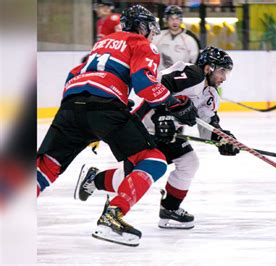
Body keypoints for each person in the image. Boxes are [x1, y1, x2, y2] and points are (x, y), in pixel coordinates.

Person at [36, 5, 198, 247]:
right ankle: (113, 216)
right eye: (151, 30)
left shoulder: (103, 43)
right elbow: (144, 84)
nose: (153, 35)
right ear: (143, 27)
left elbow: (74, 74)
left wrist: (86, 123)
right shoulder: (142, 44)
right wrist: (173, 102)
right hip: (105, 108)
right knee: (153, 159)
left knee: (47, 166)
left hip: (71, 106)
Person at [74, 47, 239, 230]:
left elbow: (206, 123)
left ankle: (170, 209)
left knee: (189, 162)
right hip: (143, 126)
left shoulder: (211, 95)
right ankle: (94, 179)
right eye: (222, 71)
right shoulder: (193, 74)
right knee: (134, 178)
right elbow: (157, 84)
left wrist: (222, 139)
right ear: (208, 68)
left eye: (227, 73)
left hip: (168, 133)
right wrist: (162, 115)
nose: (224, 77)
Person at [153, 5, 201, 70]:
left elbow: (196, 62)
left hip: (181, 78)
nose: (174, 21)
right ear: (166, 19)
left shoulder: (190, 39)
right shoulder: (157, 36)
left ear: (181, 20)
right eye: (171, 18)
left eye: (177, 18)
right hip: (160, 77)